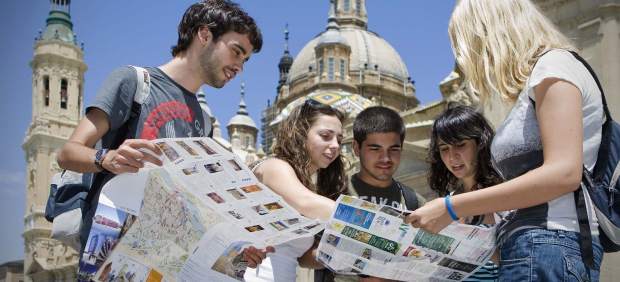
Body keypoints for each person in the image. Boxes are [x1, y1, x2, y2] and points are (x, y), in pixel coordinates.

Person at [405, 0, 605, 281]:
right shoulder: (538, 80)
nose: (474, 63)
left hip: (548, 244)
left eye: (473, 49)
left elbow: (564, 173)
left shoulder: (554, 67)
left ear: (495, 34)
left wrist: (451, 208)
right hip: (531, 248)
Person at [56, 0, 262, 251]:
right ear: (204, 35)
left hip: (163, 256)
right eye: (236, 51)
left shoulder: (205, 121)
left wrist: (236, 248)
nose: (239, 67)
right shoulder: (134, 82)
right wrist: (107, 158)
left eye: (246, 60)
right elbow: (67, 153)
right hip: (109, 251)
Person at [315, 106, 423, 282]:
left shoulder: (415, 201)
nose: (385, 158)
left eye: (394, 149)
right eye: (375, 149)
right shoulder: (332, 193)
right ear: (356, 148)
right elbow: (303, 256)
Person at [243, 99, 347, 282]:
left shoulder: (310, 187)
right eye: (325, 136)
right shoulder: (273, 167)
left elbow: (302, 257)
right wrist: (377, 224)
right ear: (300, 134)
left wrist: (346, 252)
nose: (336, 145)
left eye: (339, 139)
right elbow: (304, 202)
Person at [428, 105, 500, 281]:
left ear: (480, 144)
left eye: (460, 145)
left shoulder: (502, 193)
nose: (452, 157)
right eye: (444, 149)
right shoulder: (445, 202)